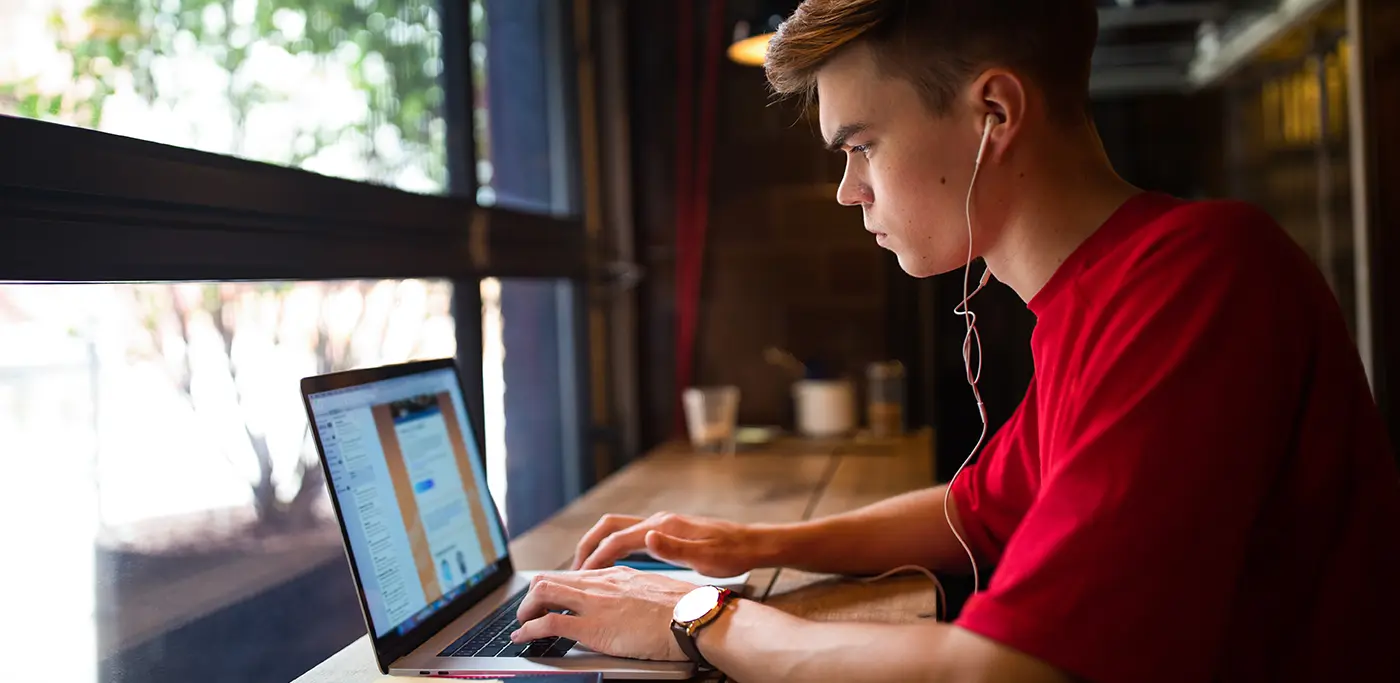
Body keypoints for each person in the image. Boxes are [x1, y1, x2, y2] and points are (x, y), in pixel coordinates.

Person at [507, 1, 1400, 681]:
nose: (847, 191)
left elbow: (1006, 669)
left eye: (861, 145)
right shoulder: (1108, 289)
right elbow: (972, 509)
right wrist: (746, 545)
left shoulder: (1198, 278)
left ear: (994, 115)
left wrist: (696, 619)